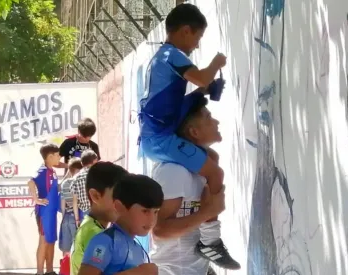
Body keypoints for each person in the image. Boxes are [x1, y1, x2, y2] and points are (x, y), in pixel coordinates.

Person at [138, 3, 237, 269]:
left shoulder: (161, 59)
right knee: (215, 173)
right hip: (161, 139)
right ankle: (211, 240)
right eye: (197, 38)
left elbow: (181, 100)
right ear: (185, 31)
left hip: (157, 137)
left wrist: (204, 92)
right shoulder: (172, 54)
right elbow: (202, 77)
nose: (196, 45)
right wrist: (216, 64)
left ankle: (209, 236)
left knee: (211, 158)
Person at [151, 94, 239, 275]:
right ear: (194, 132)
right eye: (208, 118)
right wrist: (207, 212)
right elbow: (160, 230)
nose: (216, 122)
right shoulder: (174, 171)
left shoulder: (203, 168)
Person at [78, 174, 163, 275]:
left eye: (156, 212)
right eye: (145, 211)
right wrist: (138, 272)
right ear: (119, 206)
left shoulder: (137, 247)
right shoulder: (105, 241)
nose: (152, 219)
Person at [71, 162, 129, 275]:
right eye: (118, 196)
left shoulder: (91, 226)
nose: (124, 204)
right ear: (96, 196)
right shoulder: (94, 234)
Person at [27, 144, 61, 275]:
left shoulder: (52, 171)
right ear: (50, 156)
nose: (59, 158)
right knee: (44, 240)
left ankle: (50, 270)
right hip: (44, 213)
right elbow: (30, 181)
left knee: (51, 240)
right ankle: (40, 272)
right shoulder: (43, 171)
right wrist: (36, 200)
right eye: (57, 155)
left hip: (52, 212)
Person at [59, 157, 83, 255]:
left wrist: (64, 217)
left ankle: (65, 268)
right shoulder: (79, 182)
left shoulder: (65, 183)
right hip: (76, 216)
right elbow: (76, 201)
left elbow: (63, 203)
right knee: (77, 246)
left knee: (66, 247)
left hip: (66, 217)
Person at [71, 150, 99, 220]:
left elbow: (75, 201)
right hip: (99, 211)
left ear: (82, 163)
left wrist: (77, 219)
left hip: (84, 213)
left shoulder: (75, 178)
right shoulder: (98, 175)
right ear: (94, 161)